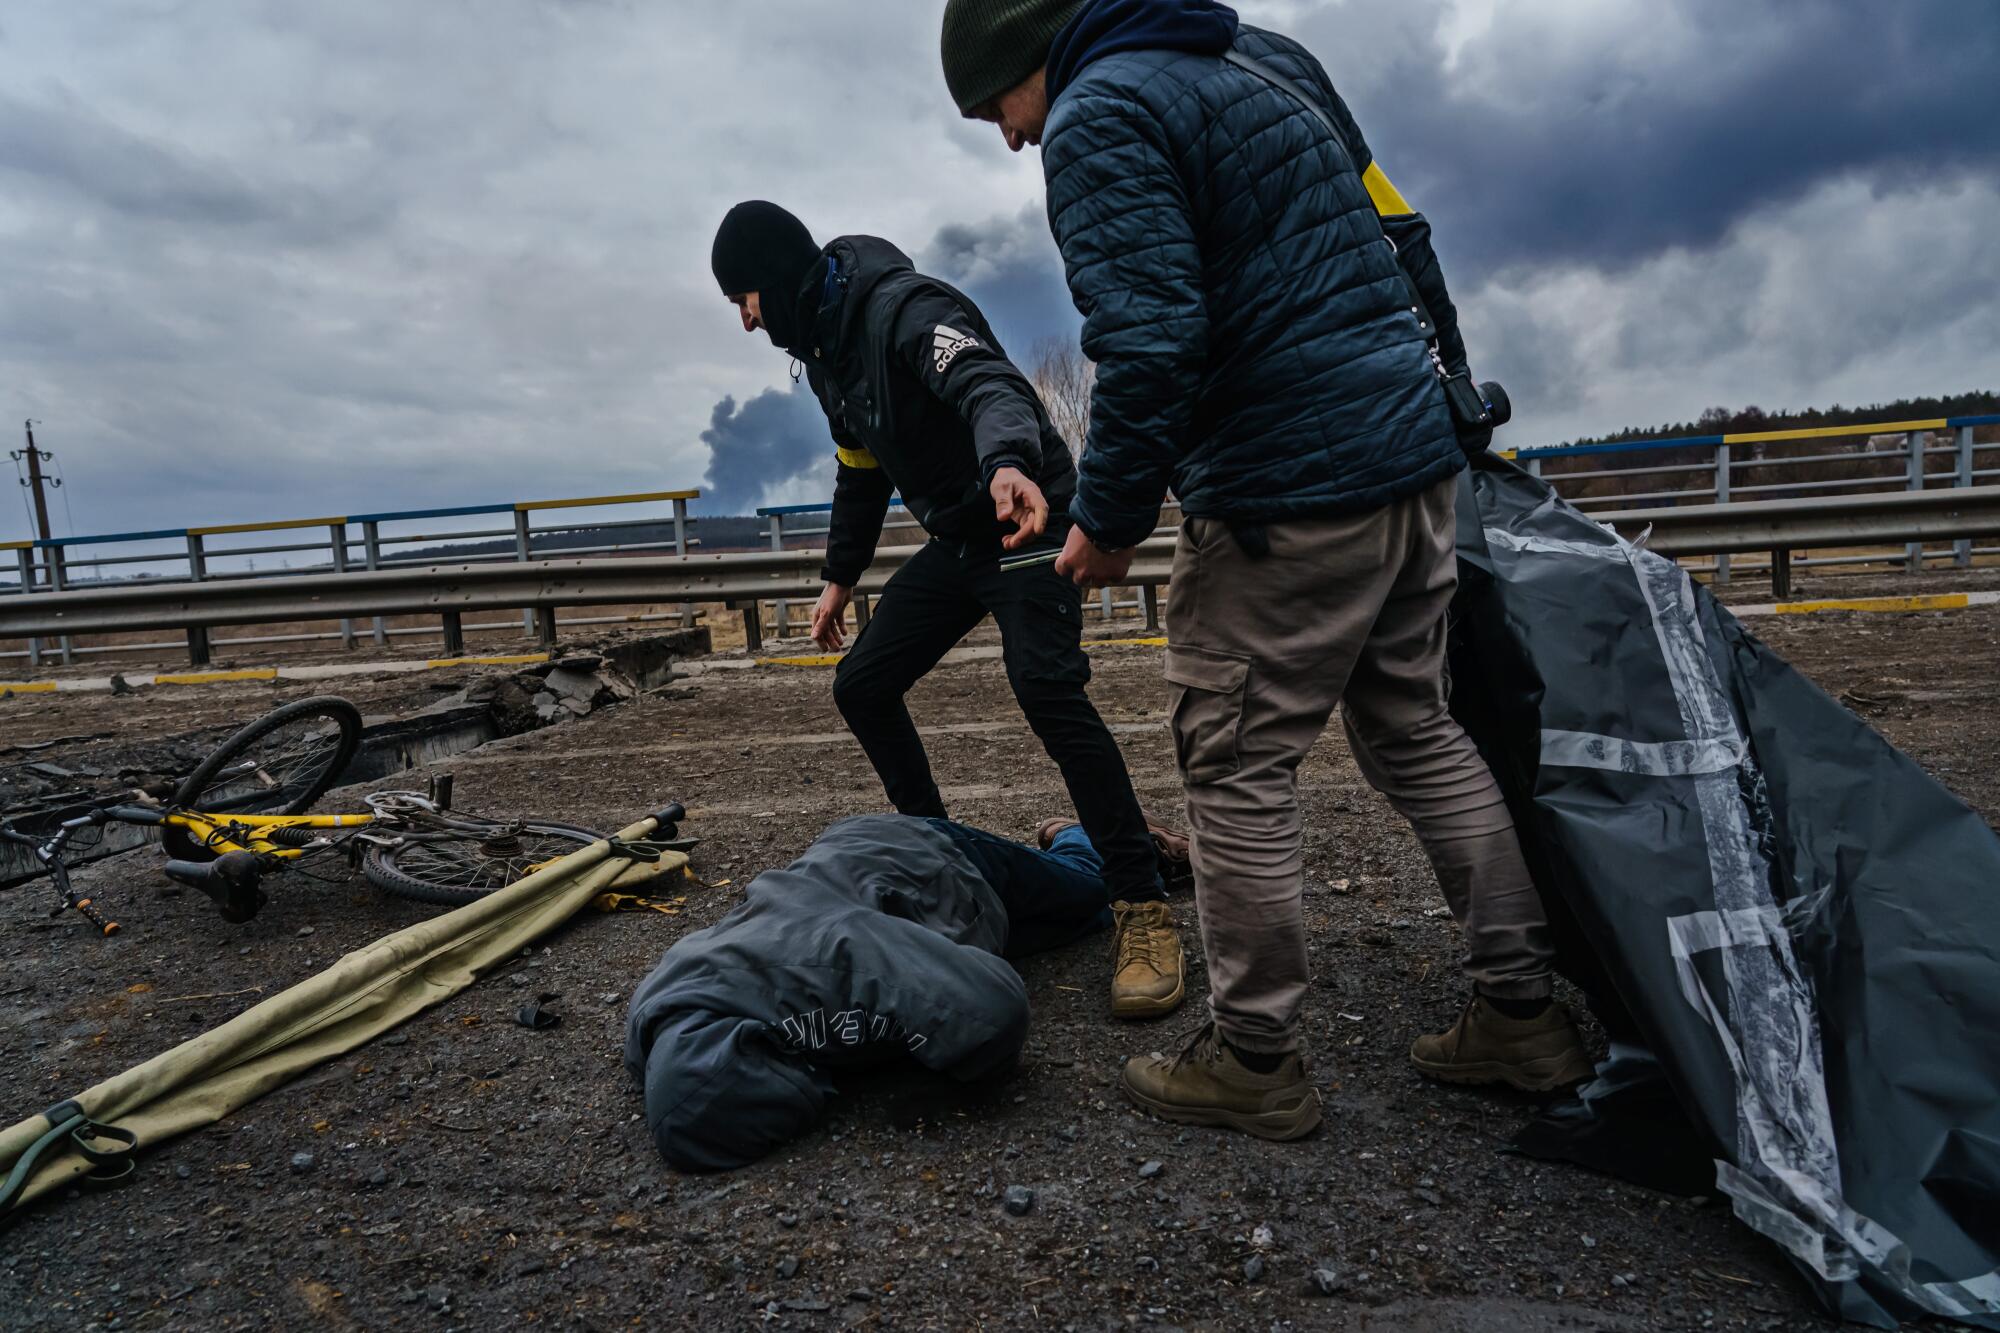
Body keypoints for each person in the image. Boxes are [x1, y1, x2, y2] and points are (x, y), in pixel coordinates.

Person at [937, 0, 1593, 1140]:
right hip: (1408, 459)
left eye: (993, 103)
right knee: (1418, 730)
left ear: (1027, 54)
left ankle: (1254, 1058)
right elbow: (1403, 235)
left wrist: (1112, 511)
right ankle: (1522, 1013)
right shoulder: (1267, 59)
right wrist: (1449, 404)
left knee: (1234, 764)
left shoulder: (1099, 113)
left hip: (1289, 492)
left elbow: (1148, 341)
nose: (1007, 136)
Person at [709, 201, 1185, 1017]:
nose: (747, 322)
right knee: (862, 682)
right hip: (963, 538)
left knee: (1044, 686)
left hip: (1025, 509)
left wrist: (1006, 462)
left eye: (743, 299)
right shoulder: (827, 357)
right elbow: (861, 471)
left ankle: (1141, 904)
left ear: (775, 279)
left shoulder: (904, 309)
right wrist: (839, 577)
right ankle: (944, 861)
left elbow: (988, 384)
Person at [624, 813, 1184, 1170]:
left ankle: (1078, 832)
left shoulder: (836, 955)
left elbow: (992, 1016)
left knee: (1094, 893)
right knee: (1052, 933)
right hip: (913, 906)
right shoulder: (664, 1017)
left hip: (931, 856)